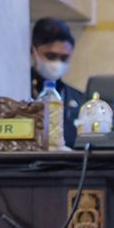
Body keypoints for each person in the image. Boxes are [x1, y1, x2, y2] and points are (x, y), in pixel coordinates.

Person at [30, 16, 81, 148]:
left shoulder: (79, 100)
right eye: (51, 56)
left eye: (64, 58)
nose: (57, 63)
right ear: (33, 51)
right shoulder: (17, 90)